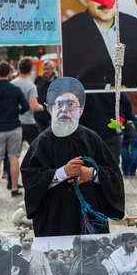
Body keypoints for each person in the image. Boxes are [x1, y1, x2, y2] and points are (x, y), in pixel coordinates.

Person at [21, 77, 125, 236]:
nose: (65, 110)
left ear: (80, 110)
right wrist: (63, 172)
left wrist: (93, 174)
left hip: (90, 219)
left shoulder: (92, 139)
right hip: (53, 221)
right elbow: (31, 179)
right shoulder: (41, 143)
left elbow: (115, 176)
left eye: (71, 104)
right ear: (51, 109)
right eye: (59, 104)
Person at [61, 0, 137, 90]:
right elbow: (70, 80)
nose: (105, 2)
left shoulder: (135, 25)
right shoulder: (68, 31)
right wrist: (108, 88)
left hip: (132, 102)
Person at [0, 61, 29, 196]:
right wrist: (18, 113)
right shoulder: (15, 89)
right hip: (14, 127)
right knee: (14, 158)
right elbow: (26, 106)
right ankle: (14, 189)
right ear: (10, 73)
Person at [79, 92, 132, 164]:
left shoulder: (88, 89)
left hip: (93, 130)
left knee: (94, 162)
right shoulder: (114, 86)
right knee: (113, 162)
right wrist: (125, 119)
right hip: (114, 129)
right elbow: (126, 102)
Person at [12, 57, 44, 146]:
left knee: (13, 153)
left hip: (14, 123)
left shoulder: (12, 84)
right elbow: (33, 106)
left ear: (19, 68)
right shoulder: (31, 86)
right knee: (37, 148)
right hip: (28, 122)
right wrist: (41, 107)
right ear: (30, 70)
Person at [34, 60, 57, 133]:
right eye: (44, 69)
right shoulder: (39, 79)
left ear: (53, 69)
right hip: (40, 114)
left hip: (52, 114)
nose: (46, 71)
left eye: (48, 69)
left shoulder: (57, 80)